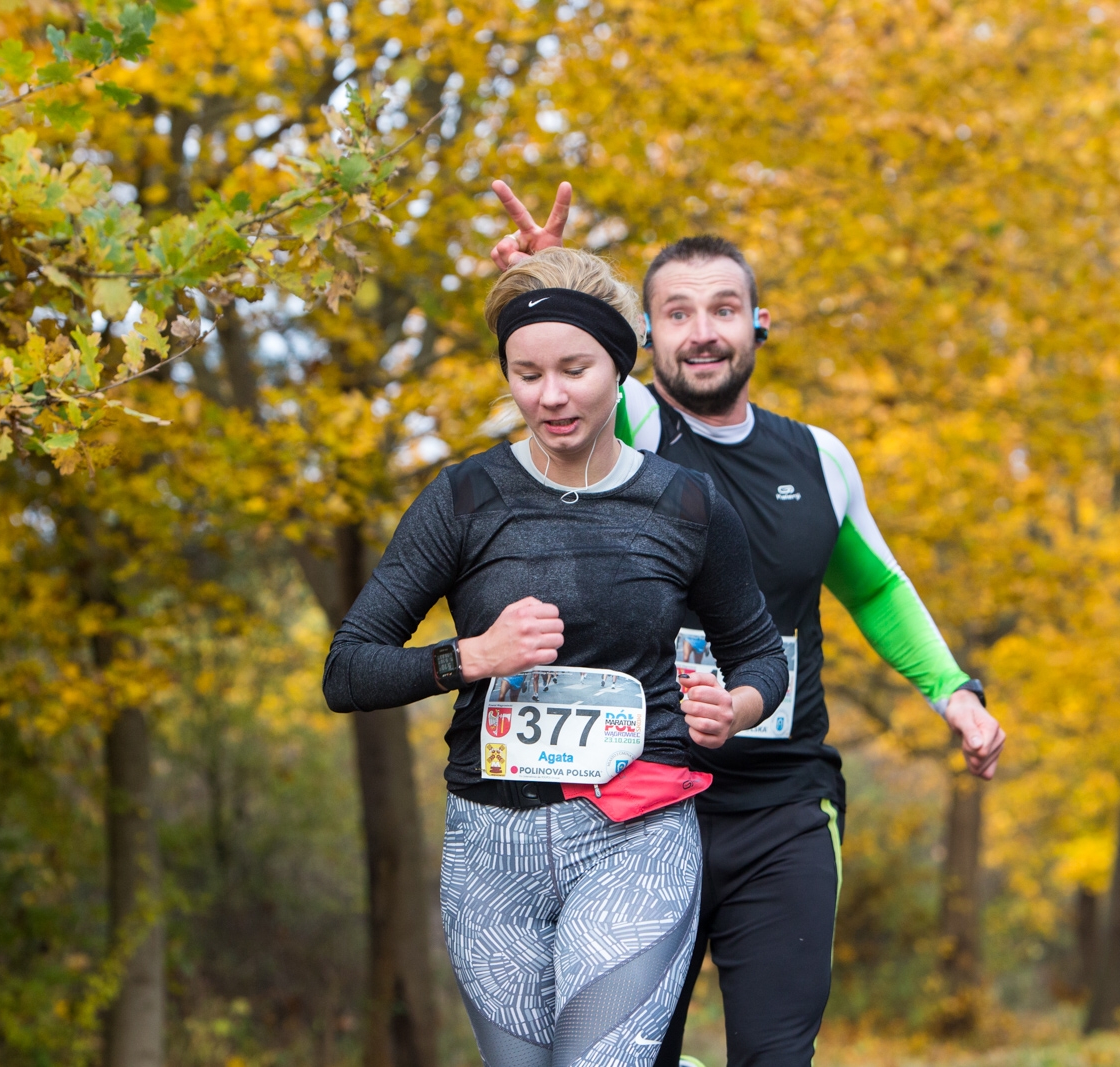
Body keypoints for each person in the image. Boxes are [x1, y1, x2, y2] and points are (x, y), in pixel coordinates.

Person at [490, 182, 1007, 1067]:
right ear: (642, 336)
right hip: (639, 805)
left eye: (723, 309)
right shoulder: (629, 427)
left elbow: (876, 590)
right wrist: (552, 289)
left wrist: (954, 692)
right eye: (677, 313)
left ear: (758, 324)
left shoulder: (819, 457)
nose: (702, 331)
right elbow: (559, 383)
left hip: (782, 804)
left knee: (777, 1053)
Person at [322, 246, 791, 1067]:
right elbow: (347, 669)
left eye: (574, 369)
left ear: (620, 366)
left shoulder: (685, 502)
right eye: (526, 373)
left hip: (635, 832)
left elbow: (759, 655)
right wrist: (470, 655)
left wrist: (735, 707)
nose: (549, 395)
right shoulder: (465, 498)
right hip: (489, 846)